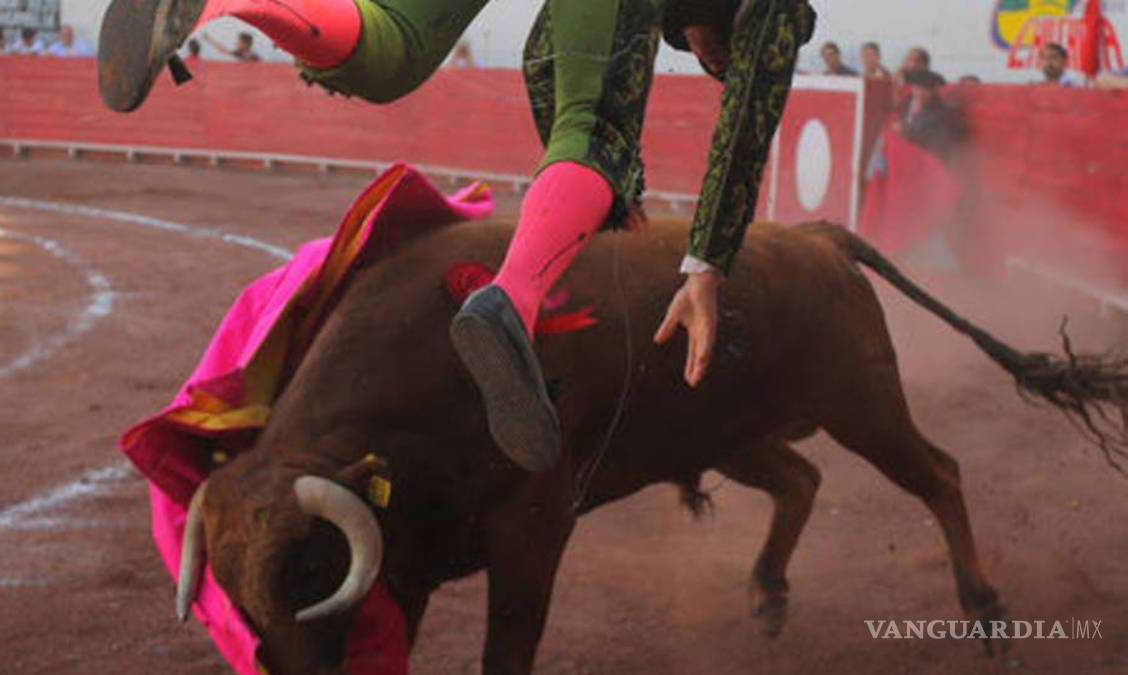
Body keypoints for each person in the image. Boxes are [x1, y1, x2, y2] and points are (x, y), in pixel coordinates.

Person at [97, 0, 816, 471]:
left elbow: (545, 59)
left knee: (393, 48)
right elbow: (745, 128)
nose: (716, 69)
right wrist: (706, 267)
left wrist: (591, 202)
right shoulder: (775, 12)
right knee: (596, 136)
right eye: (719, 62)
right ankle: (513, 301)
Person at [895, 69, 964, 162]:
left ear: (934, 91)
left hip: (926, 160)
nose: (920, 93)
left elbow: (940, 142)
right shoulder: (908, 100)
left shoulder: (941, 111)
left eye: (926, 89)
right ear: (912, 87)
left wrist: (906, 133)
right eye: (918, 88)